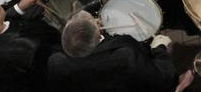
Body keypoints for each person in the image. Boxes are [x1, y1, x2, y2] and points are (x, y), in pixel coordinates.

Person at [46, 10, 178, 91]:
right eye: (94, 22)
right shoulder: (124, 53)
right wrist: (159, 49)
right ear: (98, 34)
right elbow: (163, 77)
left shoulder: (55, 63)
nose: (97, 21)